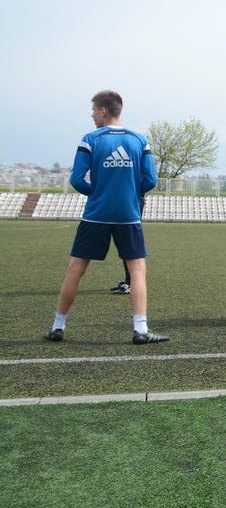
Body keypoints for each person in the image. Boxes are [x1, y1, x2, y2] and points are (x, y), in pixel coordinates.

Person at [45, 91, 166, 344]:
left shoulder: (90, 139)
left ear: (102, 111)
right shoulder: (139, 140)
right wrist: (131, 193)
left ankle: (58, 327)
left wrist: (98, 192)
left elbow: (77, 179)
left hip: (96, 214)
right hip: (128, 215)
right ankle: (140, 330)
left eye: (93, 110)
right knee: (137, 270)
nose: (91, 115)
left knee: (75, 269)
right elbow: (151, 180)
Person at [111, 195, 146, 294]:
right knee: (126, 244)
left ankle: (131, 284)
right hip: (129, 201)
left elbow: (150, 182)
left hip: (131, 202)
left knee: (129, 245)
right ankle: (129, 282)